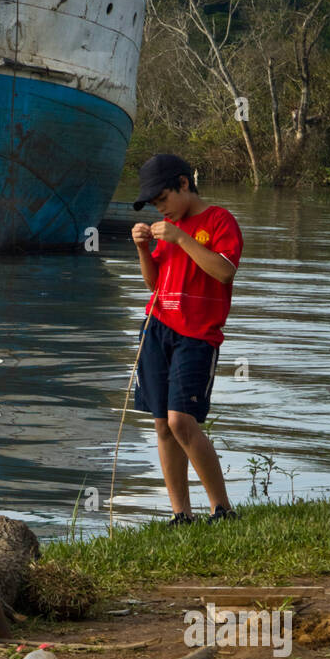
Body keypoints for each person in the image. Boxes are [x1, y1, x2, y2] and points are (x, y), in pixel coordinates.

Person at [130, 153, 243, 524]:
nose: (161, 209)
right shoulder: (167, 226)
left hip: (196, 334)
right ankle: (181, 514)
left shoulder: (218, 220)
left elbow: (224, 272)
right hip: (157, 326)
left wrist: (181, 237)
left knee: (182, 420)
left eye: (162, 199)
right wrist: (144, 249)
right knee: (162, 422)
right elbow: (153, 284)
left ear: (183, 184)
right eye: (154, 205)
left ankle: (222, 508)